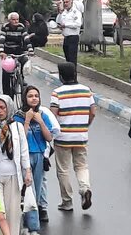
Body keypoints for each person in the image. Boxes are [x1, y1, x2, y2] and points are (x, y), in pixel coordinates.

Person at [0, 95, 32, 235]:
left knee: (13, 210)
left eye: (2, 108)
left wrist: (27, 171)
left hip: (13, 175)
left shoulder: (17, 126)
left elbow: (23, 150)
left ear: (9, 108)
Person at [50, 62, 96, 211]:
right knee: (81, 166)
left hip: (63, 138)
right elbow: (93, 112)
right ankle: (84, 189)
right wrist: (84, 125)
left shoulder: (57, 93)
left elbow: (53, 116)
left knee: (63, 170)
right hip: (81, 136)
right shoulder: (86, 91)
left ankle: (67, 201)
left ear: (61, 76)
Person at [14, 86, 56, 234]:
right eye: (30, 96)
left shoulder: (43, 115)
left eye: (36, 96)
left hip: (38, 155)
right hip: (24, 156)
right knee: (25, 189)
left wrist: (40, 121)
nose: (33, 98)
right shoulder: (18, 116)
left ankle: (33, 222)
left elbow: (49, 137)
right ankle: (23, 220)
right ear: (25, 98)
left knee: (36, 189)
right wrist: (27, 121)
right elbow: (19, 139)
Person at [0, 13, 33, 98]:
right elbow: (2, 40)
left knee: (24, 60)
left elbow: (26, 38)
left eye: (17, 19)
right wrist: (1, 51)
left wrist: (30, 49)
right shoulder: (5, 27)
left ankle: (21, 78)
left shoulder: (21, 27)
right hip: (8, 52)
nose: (16, 21)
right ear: (9, 20)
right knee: (6, 71)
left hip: (19, 51)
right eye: (13, 20)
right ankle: (6, 94)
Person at [56, 0, 82, 65]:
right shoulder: (64, 12)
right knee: (67, 58)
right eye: (64, 2)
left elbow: (78, 24)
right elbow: (59, 21)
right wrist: (60, 12)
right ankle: (68, 74)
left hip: (73, 37)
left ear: (72, 2)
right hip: (66, 37)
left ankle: (73, 75)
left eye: (67, 2)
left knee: (72, 59)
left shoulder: (76, 12)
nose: (65, 4)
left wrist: (66, 25)